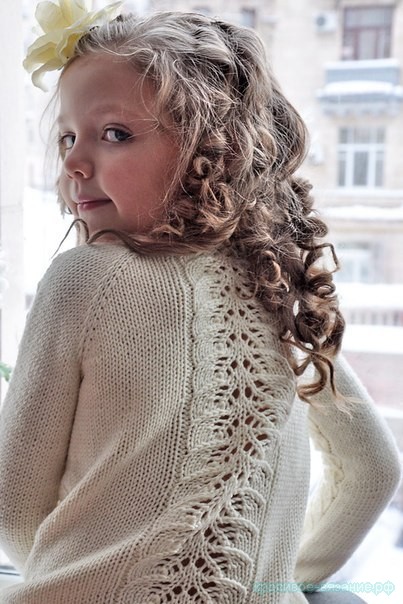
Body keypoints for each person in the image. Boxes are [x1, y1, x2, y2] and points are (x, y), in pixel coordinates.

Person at [0, 2, 401, 602]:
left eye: (115, 134)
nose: (74, 162)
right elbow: (372, 470)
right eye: (67, 137)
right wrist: (274, 583)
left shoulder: (85, 278)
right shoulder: (276, 287)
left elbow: (12, 503)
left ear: (211, 149)